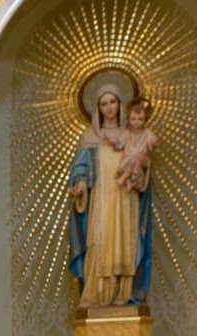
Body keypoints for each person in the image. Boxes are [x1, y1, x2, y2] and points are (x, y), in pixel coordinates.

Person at [68, 85, 153, 309]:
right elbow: (81, 169)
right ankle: (96, 294)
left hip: (126, 199)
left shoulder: (132, 135)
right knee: (99, 239)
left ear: (120, 104)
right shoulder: (90, 137)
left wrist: (142, 169)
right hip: (100, 200)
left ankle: (123, 295)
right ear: (97, 108)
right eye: (103, 103)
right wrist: (80, 186)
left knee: (125, 241)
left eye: (113, 102)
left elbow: (144, 164)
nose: (109, 108)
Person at [114, 99, 156, 191]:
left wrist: (155, 142)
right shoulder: (126, 133)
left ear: (145, 120)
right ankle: (127, 180)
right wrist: (111, 141)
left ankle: (125, 178)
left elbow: (153, 140)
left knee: (136, 158)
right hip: (127, 159)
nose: (136, 122)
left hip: (139, 161)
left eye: (140, 119)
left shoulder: (146, 133)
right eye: (133, 119)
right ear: (128, 119)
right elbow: (119, 144)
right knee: (132, 158)